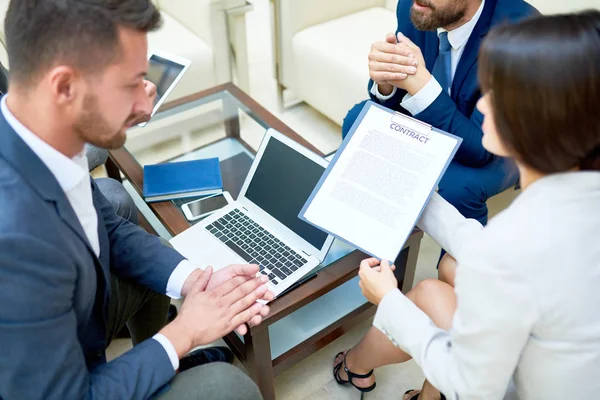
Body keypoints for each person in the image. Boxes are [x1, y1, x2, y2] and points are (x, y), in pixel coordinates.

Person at [0, 1, 274, 399]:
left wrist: (196, 280)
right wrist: (183, 334)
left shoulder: (42, 133)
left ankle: (158, 367)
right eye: (132, 85)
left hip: (72, 337)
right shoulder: (17, 241)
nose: (147, 106)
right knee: (230, 388)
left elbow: (103, 224)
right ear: (64, 87)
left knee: (155, 259)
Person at [334, 10, 600, 400]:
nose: (484, 105)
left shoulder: (514, 244)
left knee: (422, 297)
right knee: (434, 285)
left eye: (498, 93)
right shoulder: (571, 205)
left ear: (540, 123)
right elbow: (502, 257)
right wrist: (416, 196)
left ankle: (356, 365)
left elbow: (469, 384)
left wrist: (388, 299)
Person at [343, 0, 538, 276]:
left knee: (459, 185)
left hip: (502, 141)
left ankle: (457, 278)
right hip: (442, 119)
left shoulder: (520, 32)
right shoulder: (419, 9)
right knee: (359, 121)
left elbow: (481, 148)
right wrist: (387, 81)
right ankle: (382, 228)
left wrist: (421, 86)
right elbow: (397, 96)